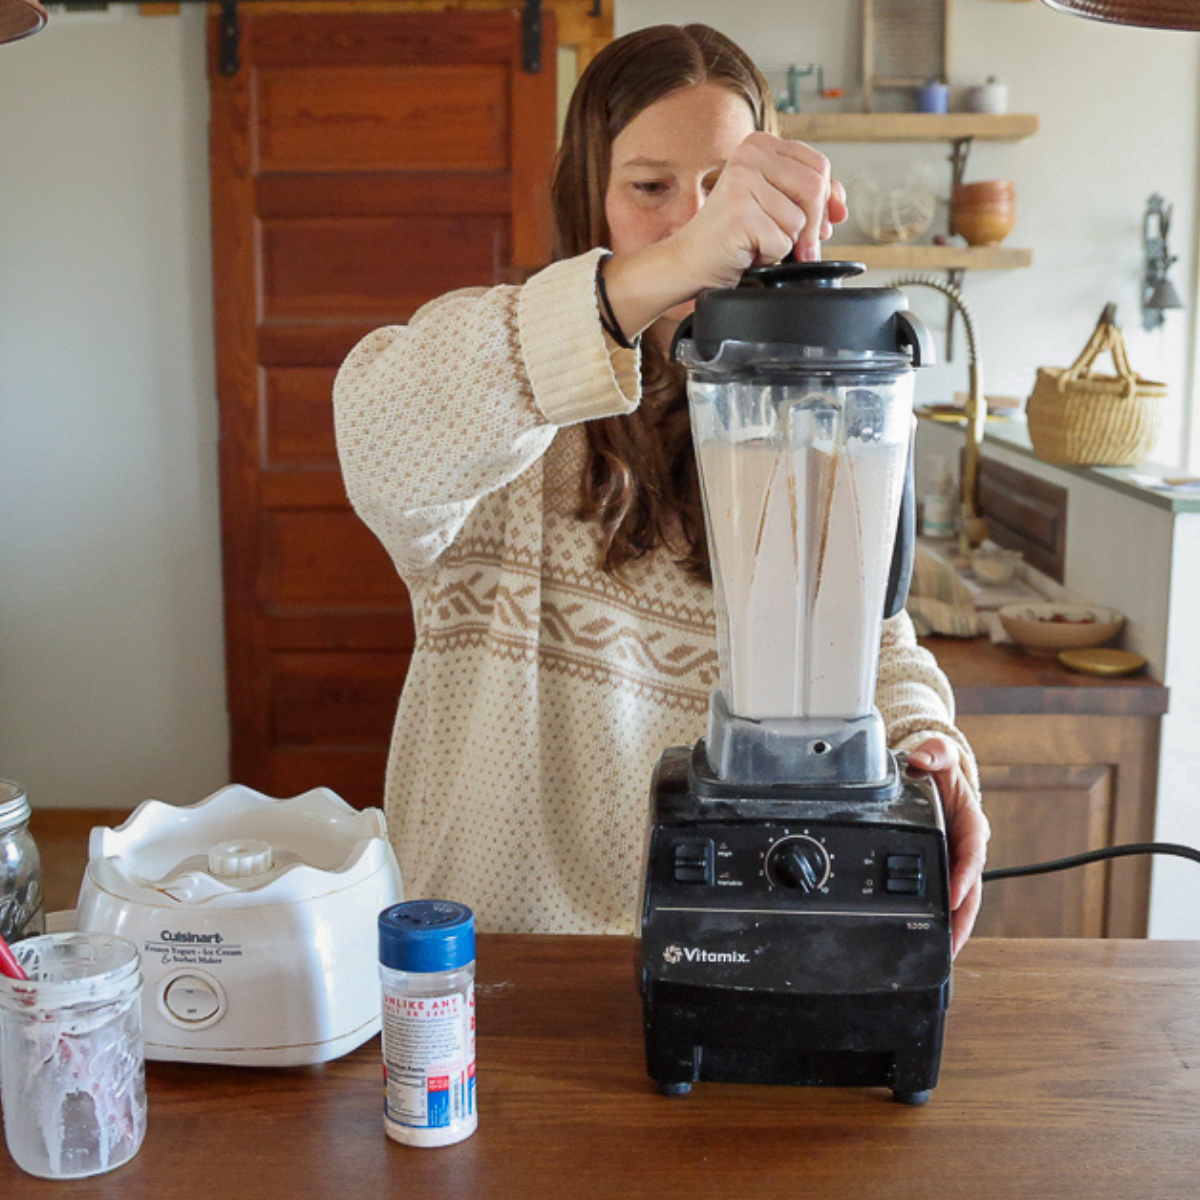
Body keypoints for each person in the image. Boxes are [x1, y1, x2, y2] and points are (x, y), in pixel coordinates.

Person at [334, 23, 989, 956]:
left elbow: (869, 638)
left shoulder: (796, 413)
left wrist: (929, 744)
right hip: (493, 961)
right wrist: (665, 272)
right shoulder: (511, 396)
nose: (697, 223)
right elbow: (379, 440)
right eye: (650, 189)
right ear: (588, 196)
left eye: (725, 191)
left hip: (726, 940)